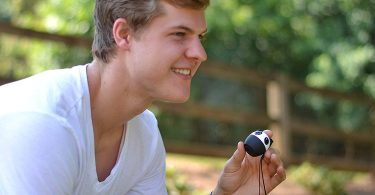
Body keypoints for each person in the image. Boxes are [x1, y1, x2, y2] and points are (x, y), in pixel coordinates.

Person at [0, 0, 286, 194]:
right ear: (123, 34)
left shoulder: (144, 134)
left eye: (200, 37)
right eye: (179, 34)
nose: (200, 53)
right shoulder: (45, 125)